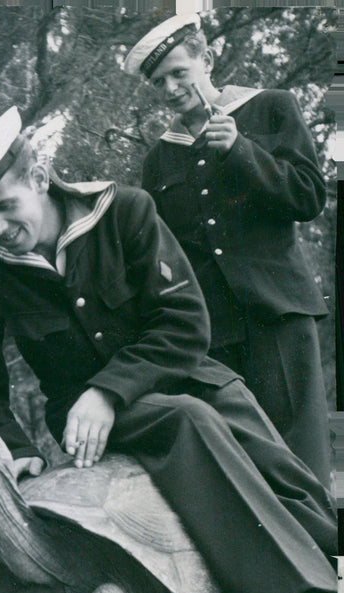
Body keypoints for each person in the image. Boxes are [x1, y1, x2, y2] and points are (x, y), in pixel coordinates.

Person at [0, 106, 337, 593]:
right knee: (183, 420)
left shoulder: (124, 210)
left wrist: (111, 387)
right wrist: (19, 447)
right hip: (96, 420)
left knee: (295, 483)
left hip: (194, 379)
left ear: (39, 180)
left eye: (5, 206)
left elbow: (185, 323)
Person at [124, 14, 331, 490]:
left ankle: (326, 562)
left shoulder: (271, 109)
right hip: (212, 334)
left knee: (300, 463)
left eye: (180, 72)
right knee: (242, 471)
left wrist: (241, 150)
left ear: (207, 60)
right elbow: (164, 252)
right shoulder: (160, 157)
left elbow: (307, 198)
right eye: (160, 82)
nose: (172, 87)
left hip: (277, 315)